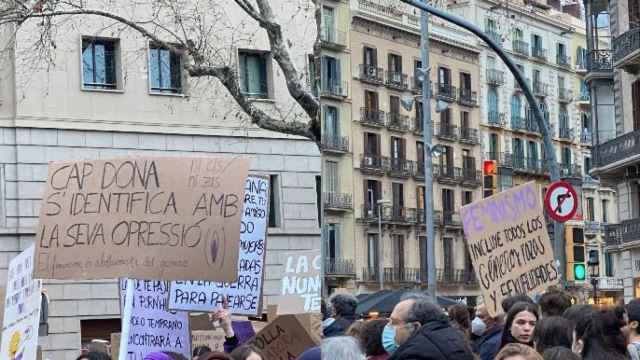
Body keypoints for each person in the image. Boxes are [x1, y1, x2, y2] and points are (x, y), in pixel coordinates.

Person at [384, 294, 474, 359]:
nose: (388, 326)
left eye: (395, 322)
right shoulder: (453, 338)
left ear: (415, 327)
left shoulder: (415, 355)